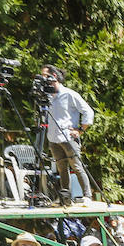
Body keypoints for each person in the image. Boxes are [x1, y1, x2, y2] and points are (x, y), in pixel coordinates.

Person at [38, 65, 95, 205]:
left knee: (76, 165)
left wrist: (80, 129)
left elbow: (88, 111)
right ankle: (65, 197)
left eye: (45, 75)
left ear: (54, 76)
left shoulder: (69, 94)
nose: (43, 79)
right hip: (53, 138)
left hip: (68, 137)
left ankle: (87, 196)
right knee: (62, 168)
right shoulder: (46, 96)